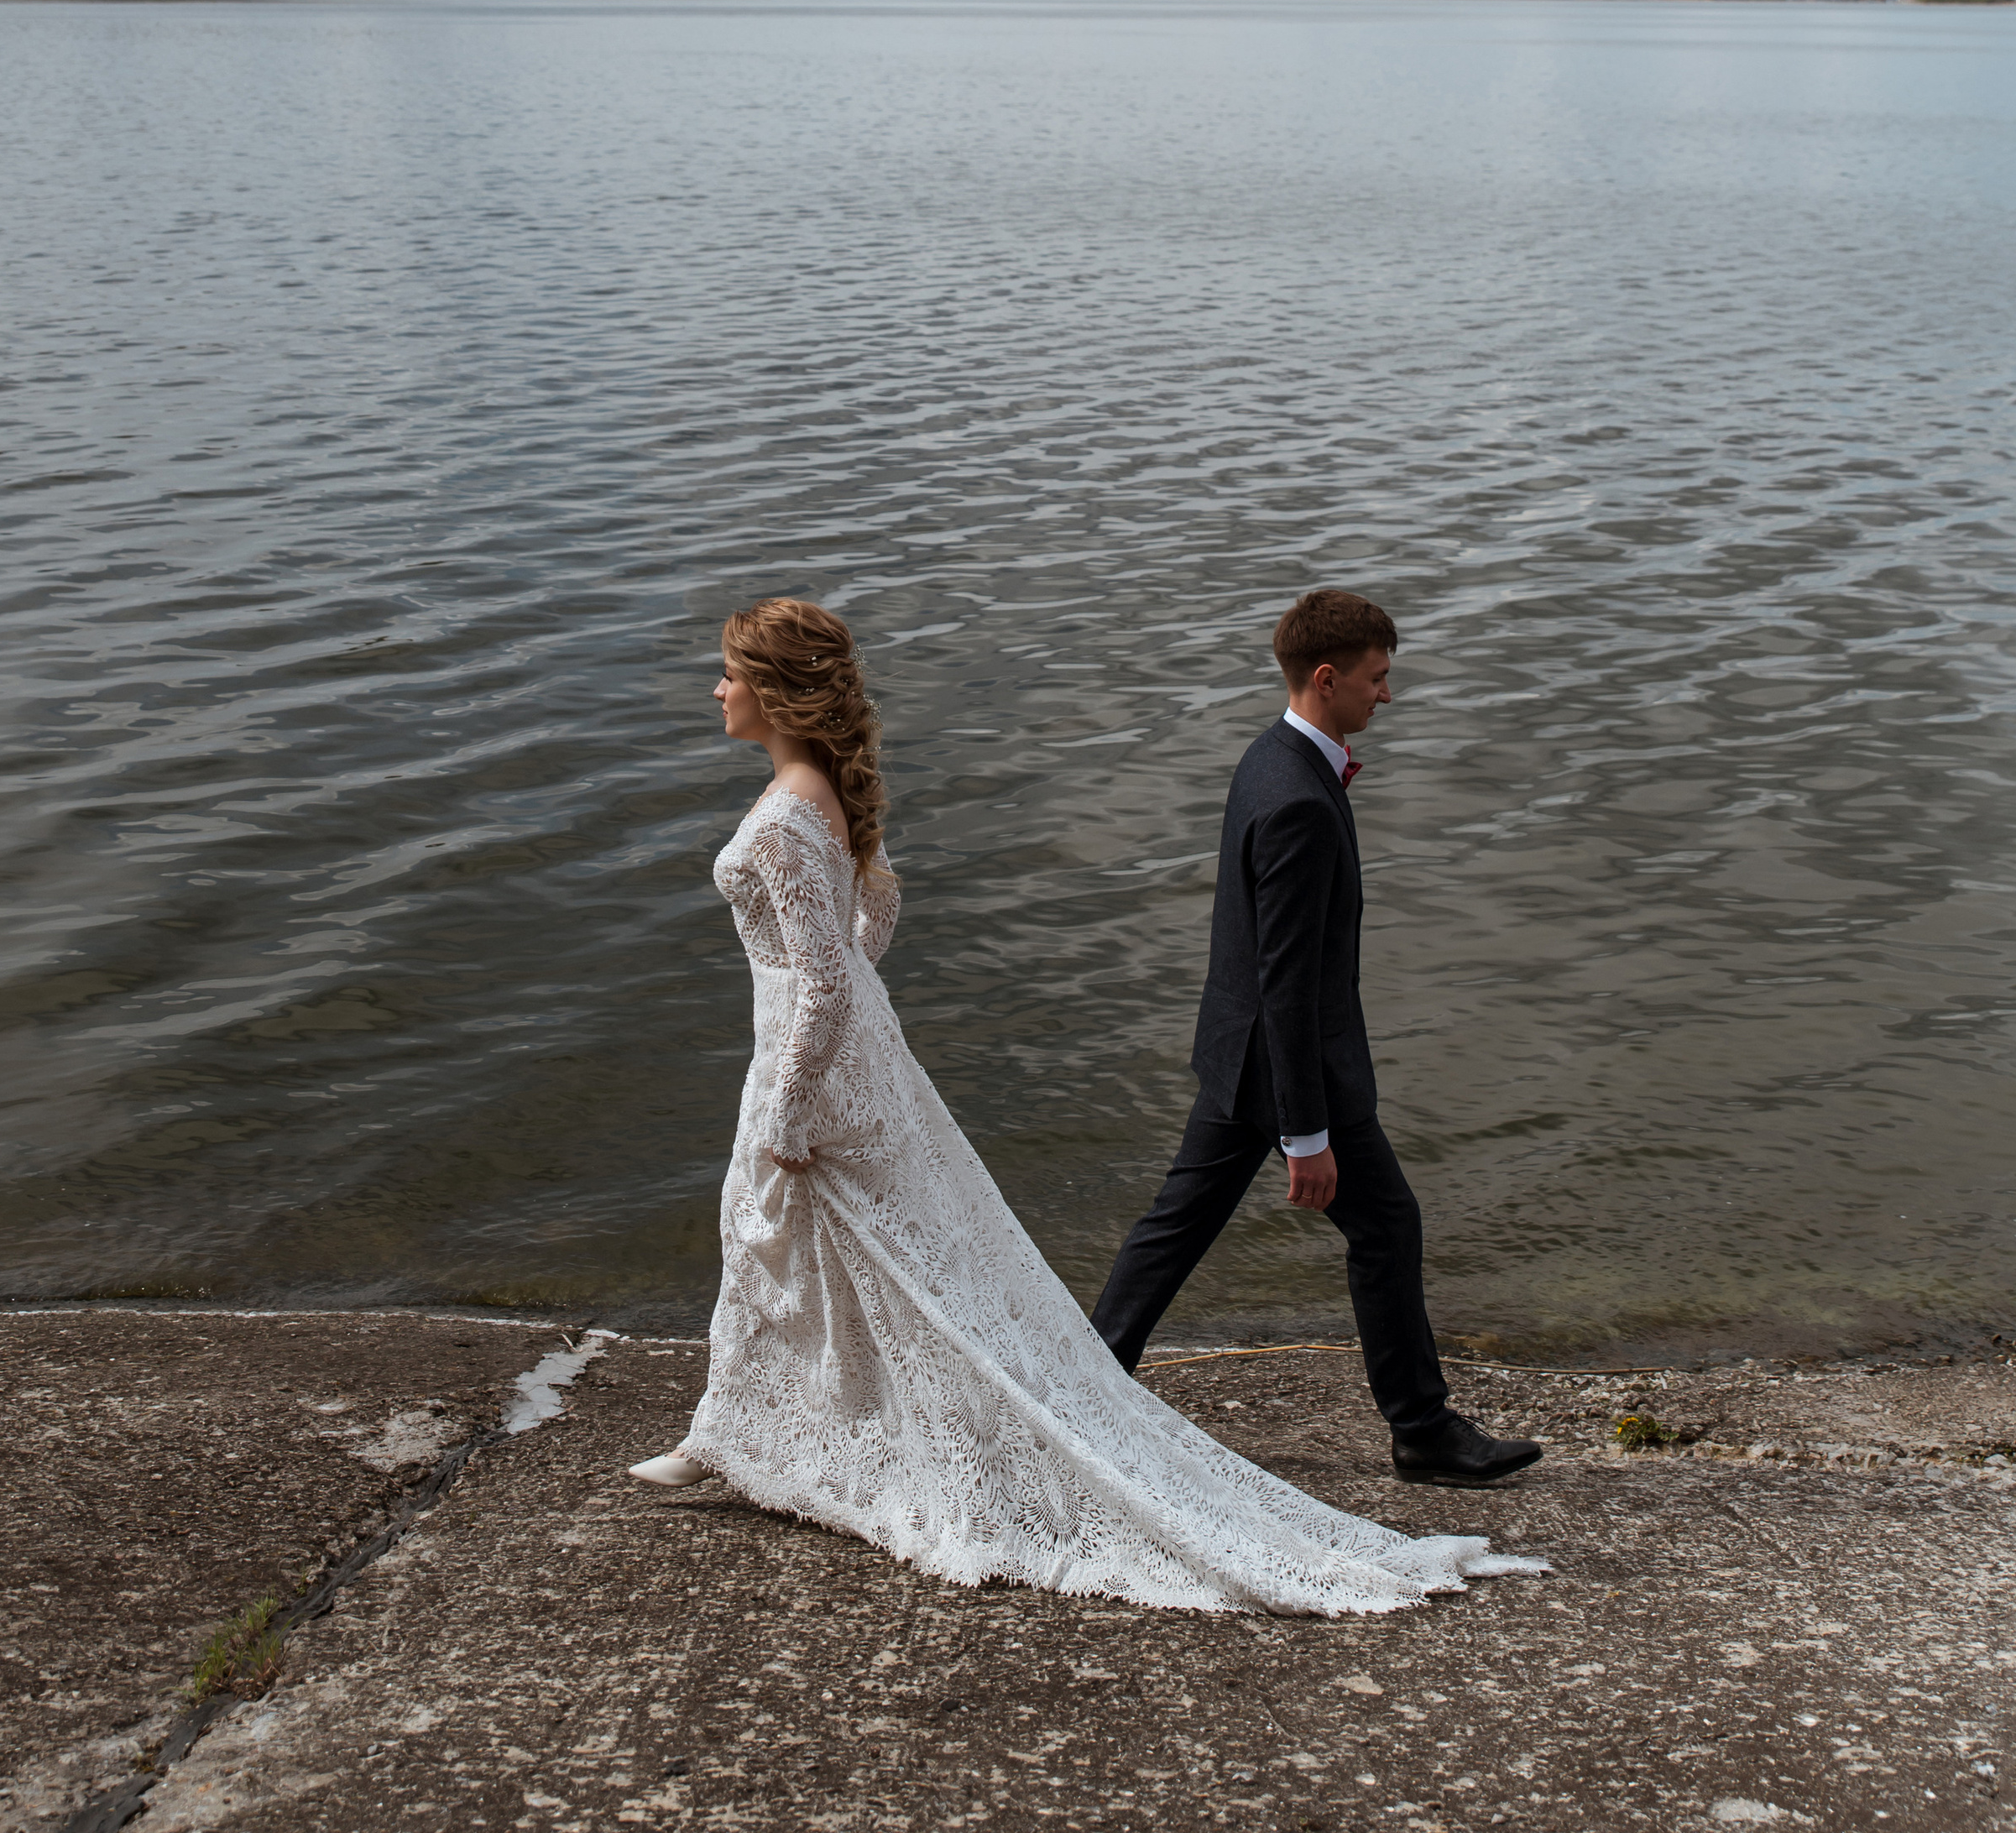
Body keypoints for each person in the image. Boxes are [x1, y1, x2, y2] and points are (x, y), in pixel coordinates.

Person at [629, 593, 1543, 1613]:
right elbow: (856, 943)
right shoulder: (816, 801)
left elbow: (836, 971)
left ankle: (785, 1427)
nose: (716, 689)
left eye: (728, 672)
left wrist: (791, 1095)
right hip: (923, 1059)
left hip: (861, 1061)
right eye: (1380, 672)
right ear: (1327, 677)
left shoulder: (796, 809)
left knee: (828, 1248)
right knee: (834, 1250)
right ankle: (751, 1429)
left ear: (777, 688)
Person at [1090, 586, 1542, 1490]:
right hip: (1286, 1064)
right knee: (1384, 1224)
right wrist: (1306, 1133)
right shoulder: (1296, 798)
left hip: (1239, 1049)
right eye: (1377, 679)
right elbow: (1289, 979)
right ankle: (1420, 1430)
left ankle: (1079, 1389)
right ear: (1327, 678)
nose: (1387, 695)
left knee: (1172, 1229)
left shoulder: (1269, 758)